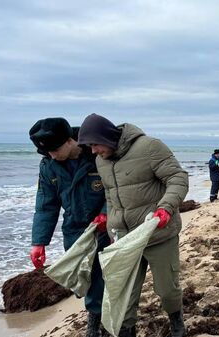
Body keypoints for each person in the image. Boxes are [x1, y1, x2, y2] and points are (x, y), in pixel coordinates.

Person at [78, 113, 189, 337]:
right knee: (124, 297)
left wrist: (165, 207)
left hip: (157, 234)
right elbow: (110, 196)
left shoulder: (149, 147)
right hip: (124, 239)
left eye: (95, 144)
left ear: (106, 137)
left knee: (167, 290)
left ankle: (176, 322)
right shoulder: (101, 161)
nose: (93, 151)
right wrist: (109, 223)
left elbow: (178, 178)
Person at [28, 117, 110, 337]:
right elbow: (46, 205)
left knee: (108, 273)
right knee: (87, 277)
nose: (51, 155)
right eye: (46, 153)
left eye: (54, 150)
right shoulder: (48, 165)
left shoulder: (96, 153)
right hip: (74, 229)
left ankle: (111, 321)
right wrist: (39, 242)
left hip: (106, 227)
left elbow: (116, 188)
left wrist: (105, 214)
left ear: (69, 141)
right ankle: (94, 318)